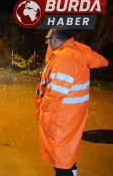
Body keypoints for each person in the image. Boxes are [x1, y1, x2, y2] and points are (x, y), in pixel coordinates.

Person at [35, 26, 108, 176]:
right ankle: (71, 172)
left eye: (47, 40)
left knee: (60, 159)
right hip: (68, 115)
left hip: (61, 117)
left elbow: (56, 92)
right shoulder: (70, 53)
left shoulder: (66, 57)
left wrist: (43, 111)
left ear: (55, 39)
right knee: (66, 153)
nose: (46, 43)